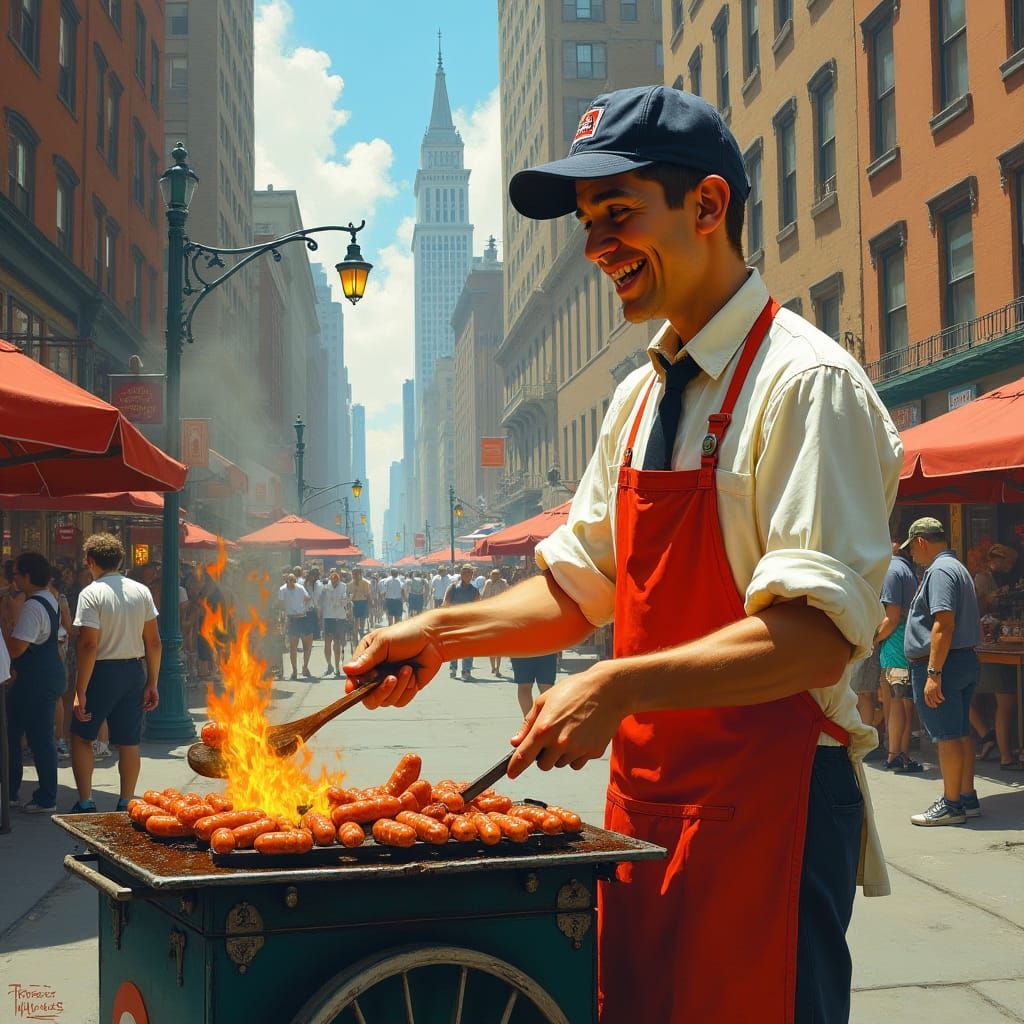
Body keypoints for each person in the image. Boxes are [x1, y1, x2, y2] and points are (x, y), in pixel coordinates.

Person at [342, 86, 901, 1023]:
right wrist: (437, 632)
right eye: (587, 223)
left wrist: (613, 686)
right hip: (643, 806)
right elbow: (579, 586)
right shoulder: (640, 399)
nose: (596, 245)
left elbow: (814, 640)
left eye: (618, 213)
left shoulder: (806, 384)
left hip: (773, 806)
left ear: (708, 206)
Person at [70, 533, 161, 813]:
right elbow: (154, 642)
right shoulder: (141, 590)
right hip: (134, 669)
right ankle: (126, 801)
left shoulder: (91, 593)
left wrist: (80, 690)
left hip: (101, 672)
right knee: (129, 741)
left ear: (90, 561)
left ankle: (86, 801)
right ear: (120, 560)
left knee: (82, 736)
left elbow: (89, 644)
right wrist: (152, 682)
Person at [903, 518, 982, 826]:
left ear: (921, 541)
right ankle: (965, 797)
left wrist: (933, 673)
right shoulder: (956, 567)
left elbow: (943, 624)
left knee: (947, 736)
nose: (911, 555)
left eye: (912, 548)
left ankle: (951, 804)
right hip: (960, 660)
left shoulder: (939, 571)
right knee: (959, 732)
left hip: (944, 664)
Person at [6, 552, 65, 812]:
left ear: (27, 576)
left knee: (34, 737)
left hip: (35, 679)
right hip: (46, 674)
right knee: (27, 734)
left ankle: (44, 796)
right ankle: (14, 791)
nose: (14, 580)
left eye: (16, 575)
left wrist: (9, 621)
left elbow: (17, 648)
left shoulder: (32, 607)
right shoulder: (49, 598)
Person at [971, 543, 1023, 770]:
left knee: (1005, 701)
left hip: (989, 644)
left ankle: (995, 742)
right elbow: (980, 607)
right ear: (998, 560)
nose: (1011, 566)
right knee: (1005, 700)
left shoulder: (992, 577)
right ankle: (1005, 755)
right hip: (989, 645)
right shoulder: (982, 579)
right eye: (1009, 562)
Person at [875, 539, 924, 773]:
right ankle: (902, 754)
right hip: (907, 642)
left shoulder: (891, 571)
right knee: (904, 702)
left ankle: (894, 754)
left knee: (896, 700)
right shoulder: (905, 569)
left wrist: (873, 639)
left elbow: (892, 618)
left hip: (896, 644)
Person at [442, 565, 481, 680]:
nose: (466, 575)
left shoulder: (475, 590)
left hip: (469, 622)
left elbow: (477, 606)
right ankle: (453, 668)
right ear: (461, 574)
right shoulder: (453, 587)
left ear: (472, 575)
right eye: (464, 572)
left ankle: (466, 670)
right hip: (454, 621)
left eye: (469, 573)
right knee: (454, 646)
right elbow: (446, 603)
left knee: (468, 647)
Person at [278, 573, 313, 680]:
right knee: (293, 647)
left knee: (307, 645)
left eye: (293, 580)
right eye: (290, 581)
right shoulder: (282, 589)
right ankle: (294, 670)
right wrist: (283, 617)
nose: (292, 583)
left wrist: (304, 608)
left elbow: (308, 598)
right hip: (292, 619)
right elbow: (281, 605)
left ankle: (305, 667)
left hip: (302, 617)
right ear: (287, 581)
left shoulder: (300, 588)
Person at [509, 651, 559, 717]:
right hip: (546, 650)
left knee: (524, 686)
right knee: (546, 688)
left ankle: (528, 718)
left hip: (521, 650)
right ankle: (544, 718)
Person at [320, 569, 349, 677]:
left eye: (336, 579)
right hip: (328, 616)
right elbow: (321, 602)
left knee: (337, 642)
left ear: (339, 579)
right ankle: (329, 665)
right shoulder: (325, 587)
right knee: (327, 642)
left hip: (340, 616)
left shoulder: (344, 586)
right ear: (330, 578)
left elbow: (346, 601)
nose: (334, 581)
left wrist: (344, 601)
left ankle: (337, 667)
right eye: (332, 578)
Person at [482, 569, 510, 676]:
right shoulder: (488, 583)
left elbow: (507, 594)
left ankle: (497, 668)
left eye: (497, 575)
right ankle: (493, 667)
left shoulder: (503, 583)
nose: (495, 576)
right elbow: (484, 597)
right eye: (493, 574)